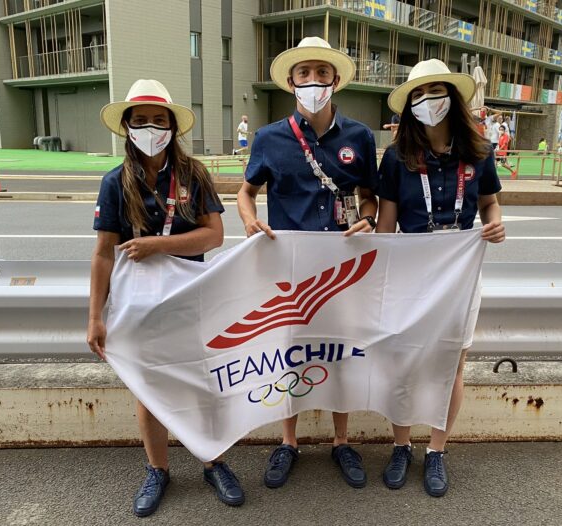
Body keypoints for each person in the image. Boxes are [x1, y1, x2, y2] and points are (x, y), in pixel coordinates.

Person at [88, 79, 244, 517]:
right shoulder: (115, 181)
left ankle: (213, 461)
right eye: (141, 121)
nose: (150, 128)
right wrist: (94, 318)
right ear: (126, 127)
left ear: (173, 126)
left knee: (201, 383)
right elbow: (102, 255)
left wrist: (157, 245)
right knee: (149, 389)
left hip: (192, 298)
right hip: (138, 307)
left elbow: (215, 235)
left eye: (159, 120)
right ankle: (158, 470)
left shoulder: (193, 173)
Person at [237, 36, 378, 490]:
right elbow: (246, 191)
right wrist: (248, 219)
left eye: (321, 73)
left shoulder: (359, 137)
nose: (313, 82)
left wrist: (369, 218)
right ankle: (288, 442)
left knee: (340, 353)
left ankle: (341, 440)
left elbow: (368, 195)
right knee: (290, 356)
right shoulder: (269, 138)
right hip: (288, 268)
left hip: (341, 266)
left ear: (334, 80)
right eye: (304, 74)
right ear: (291, 83)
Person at [375, 58, 505, 497]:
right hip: (411, 273)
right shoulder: (396, 158)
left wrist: (495, 224)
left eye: (436, 92)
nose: (428, 101)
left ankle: (436, 451)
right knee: (402, 362)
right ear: (409, 105)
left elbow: (489, 205)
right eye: (418, 95)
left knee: (451, 366)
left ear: (453, 96)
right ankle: (400, 445)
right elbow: (385, 228)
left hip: (459, 272)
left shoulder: (480, 151)